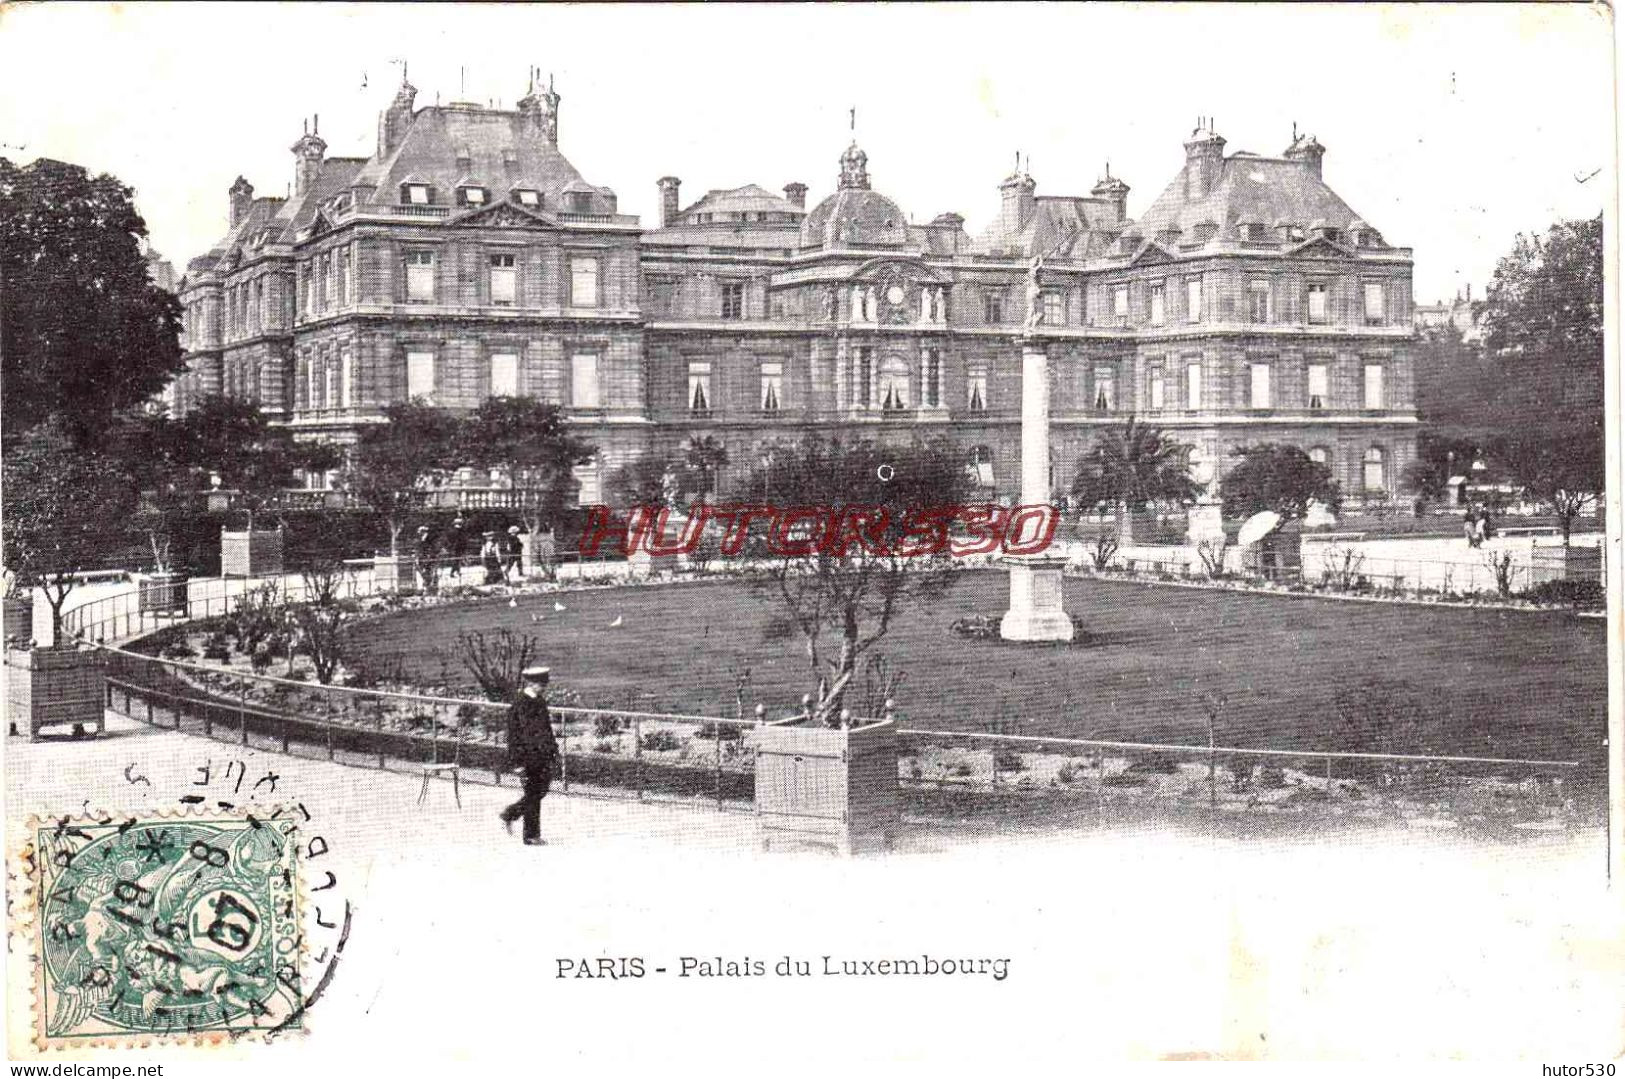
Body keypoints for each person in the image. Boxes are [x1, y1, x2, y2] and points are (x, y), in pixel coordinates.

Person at [500, 666, 558, 846]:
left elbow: (546, 729)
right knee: (533, 793)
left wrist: (553, 750)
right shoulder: (519, 704)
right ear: (531, 683)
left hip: (543, 755)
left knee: (539, 791)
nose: (543, 688)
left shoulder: (539, 701)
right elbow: (513, 736)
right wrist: (517, 762)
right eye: (541, 684)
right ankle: (531, 835)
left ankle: (511, 814)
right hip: (527, 757)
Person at [448, 514, 469, 578]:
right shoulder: (459, 531)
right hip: (457, 547)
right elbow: (462, 540)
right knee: (456, 560)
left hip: (455, 547)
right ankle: (453, 572)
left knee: (457, 560)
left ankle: (457, 571)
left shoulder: (452, 531)